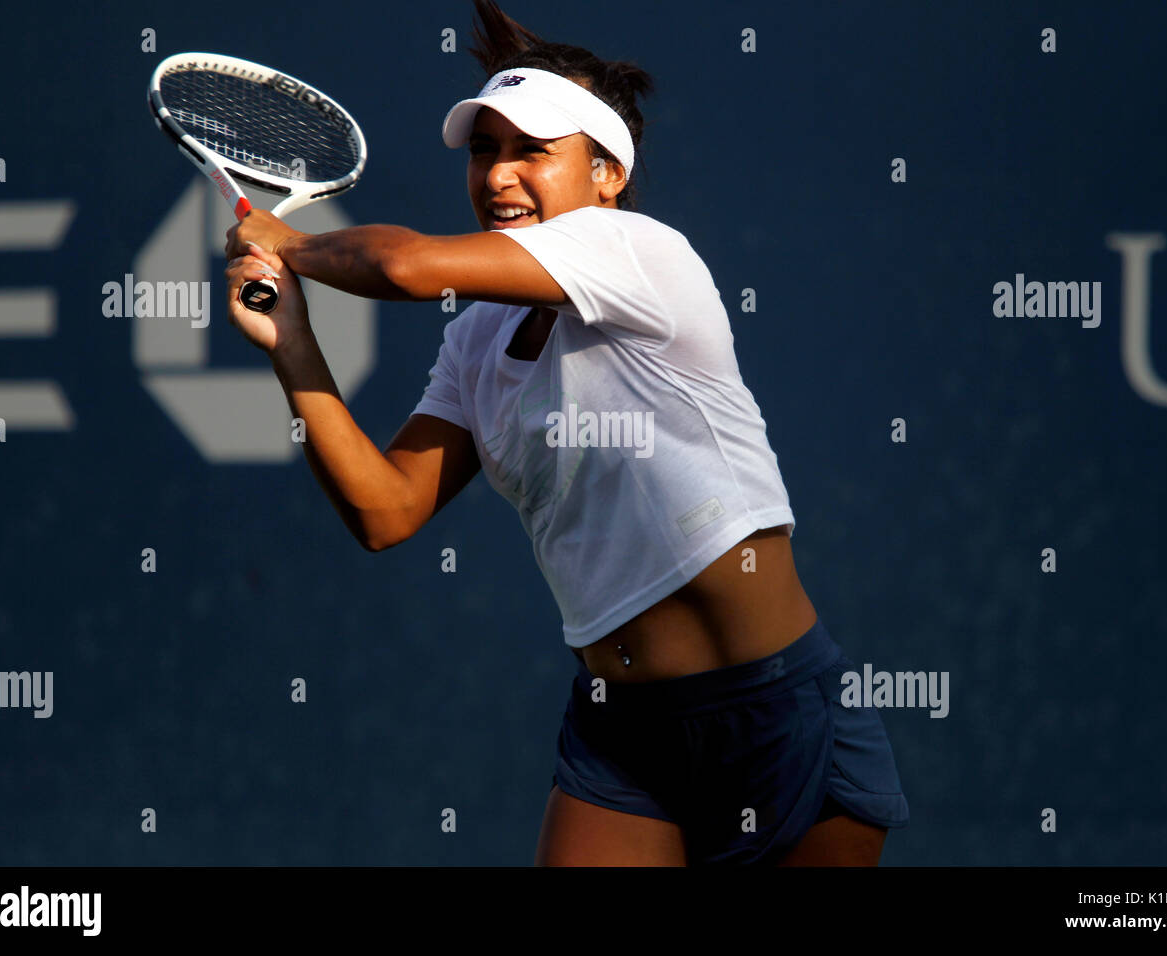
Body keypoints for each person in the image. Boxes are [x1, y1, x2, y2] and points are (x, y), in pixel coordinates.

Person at [221, 0, 908, 865]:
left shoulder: (637, 251)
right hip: (622, 741)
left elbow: (402, 265)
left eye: (532, 151)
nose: (499, 176)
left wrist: (290, 244)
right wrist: (292, 341)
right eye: (484, 151)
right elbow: (386, 511)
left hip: (774, 716)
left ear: (607, 173)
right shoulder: (475, 339)